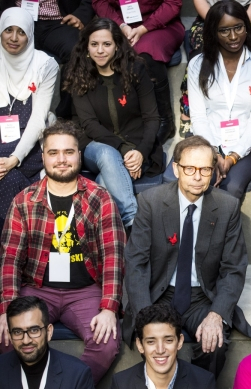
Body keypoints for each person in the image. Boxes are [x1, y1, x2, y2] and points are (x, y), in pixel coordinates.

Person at [0, 121, 126, 384]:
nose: (61, 159)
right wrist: (6, 308)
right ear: (43, 156)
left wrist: (108, 308)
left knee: (107, 343)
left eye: (69, 152)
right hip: (36, 289)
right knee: (7, 337)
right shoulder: (24, 200)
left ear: (79, 156)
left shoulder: (99, 198)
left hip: (84, 291)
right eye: (54, 153)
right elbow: (10, 258)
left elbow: (114, 255)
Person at [124, 135, 251, 379]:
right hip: (159, 295)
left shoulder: (227, 207)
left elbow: (233, 268)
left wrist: (216, 315)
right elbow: (136, 263)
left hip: (202, 298)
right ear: (176, 169)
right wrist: (145, 315)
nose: (197, 176)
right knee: (156, 345)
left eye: (205, 169)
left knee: (214, 345)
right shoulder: (150, 202)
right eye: (190, 168)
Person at [63, 18, 165, 230]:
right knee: (107, 155)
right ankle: (134, 220)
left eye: (106, 44)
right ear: (86, 46)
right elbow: (89, 124)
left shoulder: (135, 69)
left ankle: (107, 237)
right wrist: (124, 148)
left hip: (136, 146)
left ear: (117, 45)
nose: (100, 50)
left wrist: (141, 152)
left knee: (104, 179)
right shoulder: (78, 72)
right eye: (94, 44)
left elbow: (152, 118)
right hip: (94, 144)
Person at [187, 0, 251, 200]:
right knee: (198, 184)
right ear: (213, 33)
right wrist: (214, 154)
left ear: (247, 27)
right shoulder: (197, 66)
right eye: (224, 30)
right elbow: (198, 118)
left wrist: (231, 158)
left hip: (245, 148)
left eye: (238, 28)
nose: (233, 37)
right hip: (206, 144)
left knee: (230, 189)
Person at [179, 0, 251, 139]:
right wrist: (219, 23)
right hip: (212, 15)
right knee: (204, 48)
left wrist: (239, 25)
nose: (233, 36)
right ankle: (189, 109)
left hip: (250, 15)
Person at [92, 0, 184, 144]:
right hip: (118, 24)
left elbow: (173, 3)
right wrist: (120, 26)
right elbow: (99, 2)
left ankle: (165, 120)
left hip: (160, 25)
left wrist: (143, 29)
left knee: (146, 52)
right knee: (103, 51)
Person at [0, 8, 59, 229]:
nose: (14, 38)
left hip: (29, 146)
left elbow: (38, 119)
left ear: (30, 35)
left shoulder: (44, 65)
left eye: (21, 32)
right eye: (8, 30)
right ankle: (24, 235)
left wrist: (14, 158)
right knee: (10, 180)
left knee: (10, 176)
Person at [0, 0, 94, 119]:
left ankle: (65, 117)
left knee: (77, 51)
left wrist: (81, 15)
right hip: (17, 18)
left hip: (58, 22)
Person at [109, 304, 218, 389]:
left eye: (168, 340)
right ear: (140, 345)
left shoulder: (203, 382)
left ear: (179, 342)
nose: (160, 350)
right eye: (151, 342)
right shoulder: (121, 384)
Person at [0, 296, 95, 389]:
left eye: (34, 330)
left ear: (49, 332)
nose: (26, 340)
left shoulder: (77, 375)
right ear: (10, 336)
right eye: (17, 332)